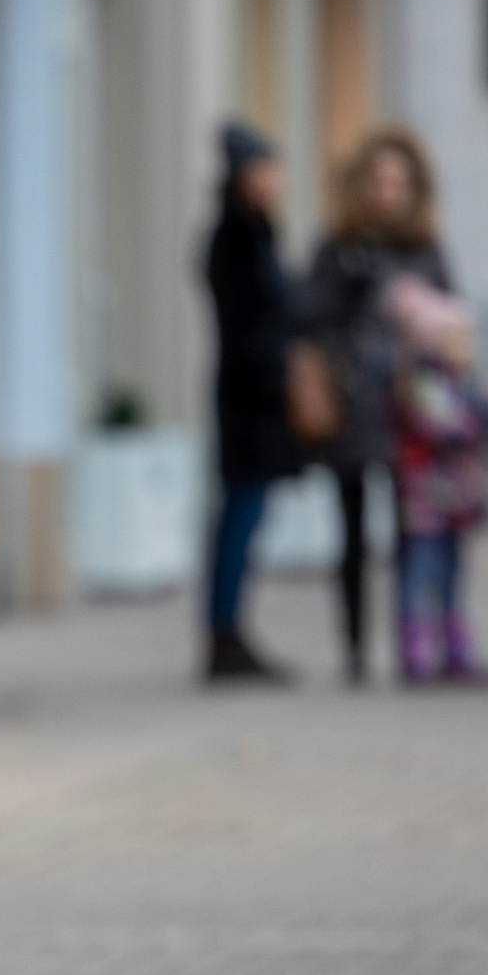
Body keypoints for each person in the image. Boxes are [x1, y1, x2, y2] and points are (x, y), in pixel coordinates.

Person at [301, 129, 452, 683]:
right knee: (354, 532)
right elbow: (310, 319)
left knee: (417, 527)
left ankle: (413, 641)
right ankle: (357, 649)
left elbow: (451, 316)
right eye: (379, 182)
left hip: (414, 409)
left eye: (399, 183)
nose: (389, 193)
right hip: (355, 404)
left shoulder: (426, 250)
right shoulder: (338, 249)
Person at [201, 121, 299, 683]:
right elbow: (248, 325)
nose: (275, 180)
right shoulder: (234, 239)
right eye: (265, 169)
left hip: (256, 397)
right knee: (240, 514)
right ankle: (224, 631)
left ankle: (232, 628)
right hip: (248, 400)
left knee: (248, 515)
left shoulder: (258, 232)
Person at [383, 277, 488, 684]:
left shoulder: (455, 382)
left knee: (452, 571)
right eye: (461, 340)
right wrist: (483, 410)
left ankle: (454, 645)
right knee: (421, 568)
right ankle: (417, 648)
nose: (469, 348)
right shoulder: (428, 383)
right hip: (428, 497)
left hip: (453, 497)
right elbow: (444, 428)